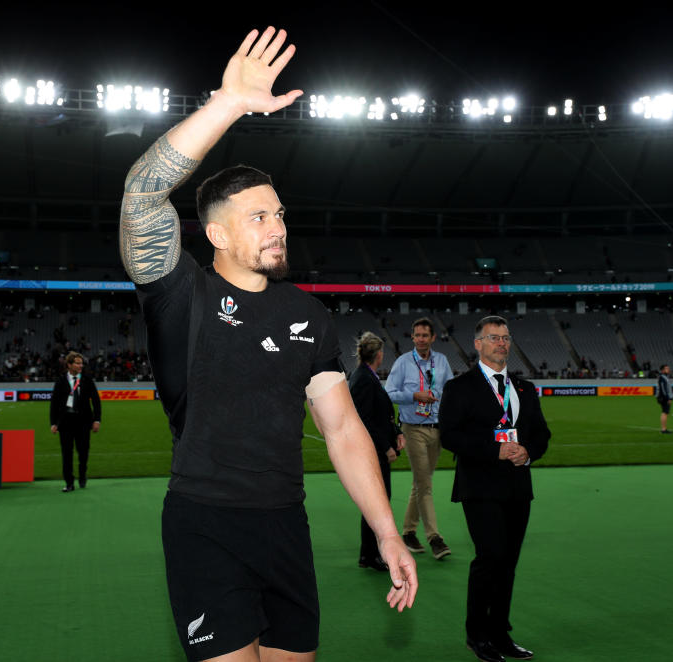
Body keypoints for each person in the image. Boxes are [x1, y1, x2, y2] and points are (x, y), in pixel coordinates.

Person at [119, 27, 416, 662]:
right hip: (206, 522)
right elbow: (142, 194)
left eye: (280, 214)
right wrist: (227, 104)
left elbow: (341, 430)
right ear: (216, 234)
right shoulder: (182, 294)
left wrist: (387, 530)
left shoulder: (308, 313)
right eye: (259, 217)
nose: (278, 227)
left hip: (286, 524)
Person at [439, 316, 551, 662]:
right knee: (490, 557)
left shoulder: (525, 388)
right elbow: (450, 436)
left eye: (505, 338)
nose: (501, 343)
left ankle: (500, 633)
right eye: (493, 338)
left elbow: (542, 434)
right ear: (478, 344)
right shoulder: (460, 387)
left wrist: (528, 451)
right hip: (480, 486)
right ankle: (477, 634)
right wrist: (495, 449)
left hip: (518, 487)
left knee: (508, 562)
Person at [386, 317, 454, 560]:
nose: (421, 339)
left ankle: (408, 532)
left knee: (421, 482)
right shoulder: (403, 362)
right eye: (418, 335)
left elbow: (450, 392)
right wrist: (415, 395)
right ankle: (435, 537)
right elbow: (389, 393)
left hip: (437, 429)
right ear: (412, 338)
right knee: (425, 485)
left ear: (433, 337)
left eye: (426, 335)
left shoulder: (442, 361)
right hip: (412, 429)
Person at [348, 331, 406, 572]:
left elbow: (380, 415)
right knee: (377, 502)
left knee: (377, 502)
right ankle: (371, 554)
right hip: (373, 452)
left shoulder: (366, 376)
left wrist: (396, 433)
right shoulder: (363, 378)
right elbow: (365, 419)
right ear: (379, 354)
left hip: (377, 448)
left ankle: (368, 554)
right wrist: (385, 447)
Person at [49, 351, 101, 492]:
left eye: (81, 363)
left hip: (83, 422)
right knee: (67, 454)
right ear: (69, 365)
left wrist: (97, 420)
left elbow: (96, 401)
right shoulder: (60, 381)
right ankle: (69, 483)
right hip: (66, 423)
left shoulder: (87, 380)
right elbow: (54, 403)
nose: (80, 365)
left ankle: (82, 475)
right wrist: (53, 423)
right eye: (77, 363)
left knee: (83, 452)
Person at [656, 364, 673, 433]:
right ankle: (663, 429)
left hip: (664, 397)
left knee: (665, 412)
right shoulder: (662, 378)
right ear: (662, 370)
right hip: (664, 398)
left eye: (668, 368)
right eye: (666, 368)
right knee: (665, 412)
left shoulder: (665, 377)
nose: (668, 370)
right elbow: (663, 389)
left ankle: (664, 428)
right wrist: (668, 398)